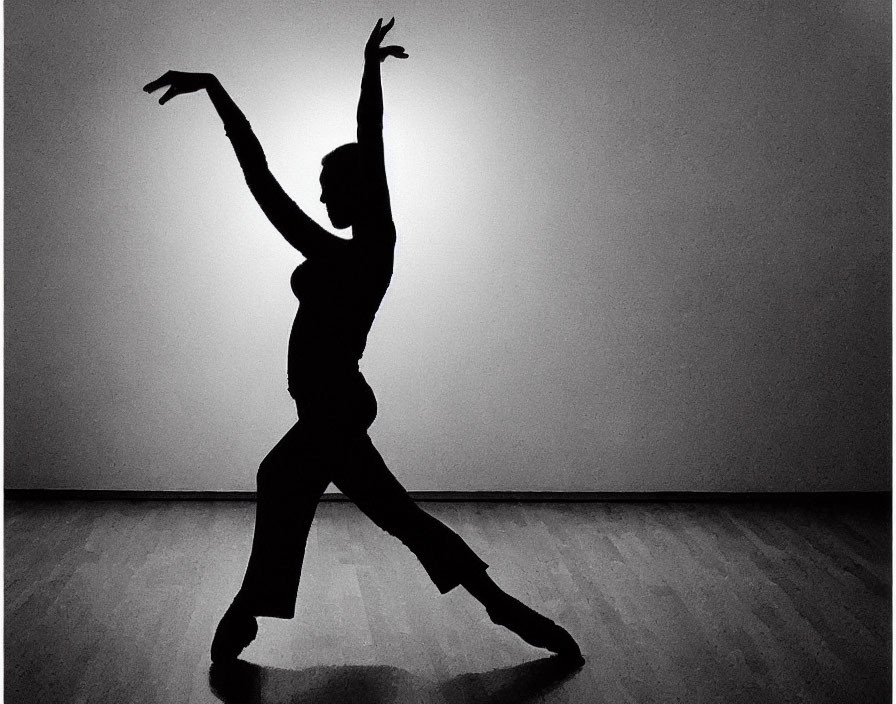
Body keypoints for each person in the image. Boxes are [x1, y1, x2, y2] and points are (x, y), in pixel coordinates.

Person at [144, 18, 582, 666]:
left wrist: (369, 74)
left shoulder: (373, 252)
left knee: (294, 481)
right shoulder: (329, 250)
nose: (321, 198)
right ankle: (505, 608)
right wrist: (215, 91)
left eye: (330, 187)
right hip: (329, 406)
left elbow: (369, 144)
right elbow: (260, 179)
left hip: (337, 405)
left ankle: (247, 612)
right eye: (320, 189)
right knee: (396, 515)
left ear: (358, 190)